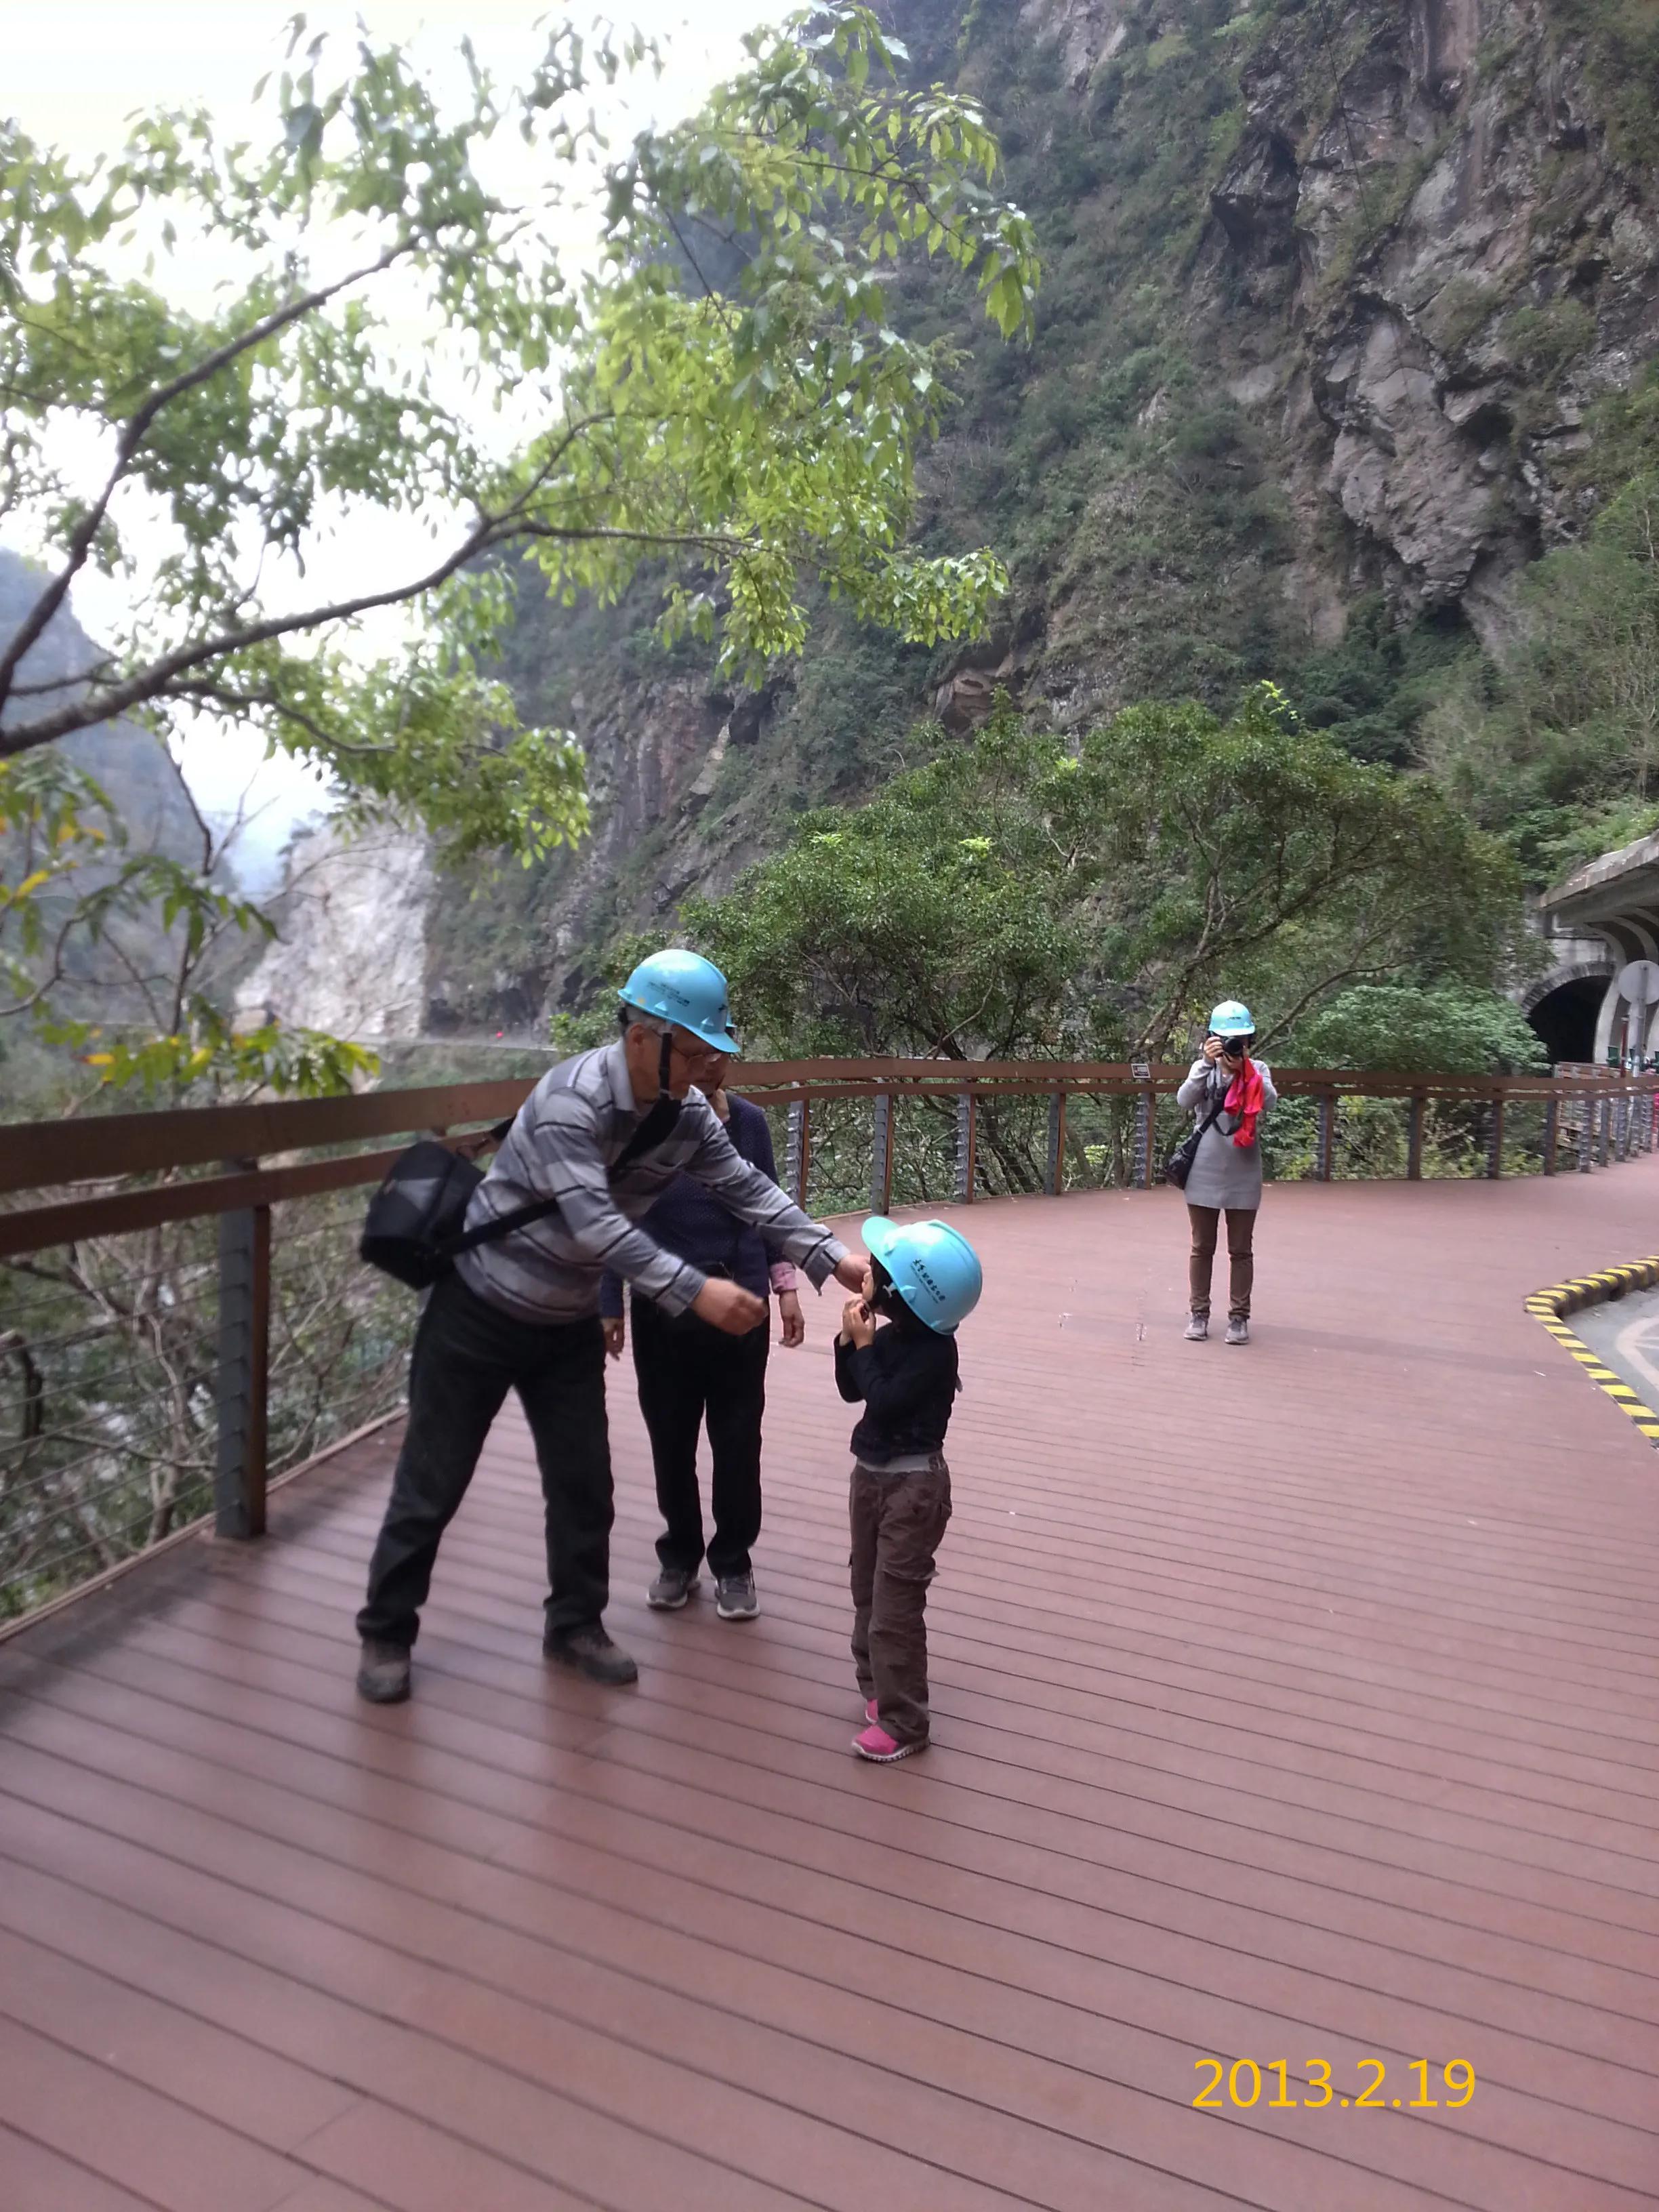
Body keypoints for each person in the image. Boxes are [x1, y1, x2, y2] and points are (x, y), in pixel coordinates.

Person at [354, 949, 868, 1704]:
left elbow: (745, 1189)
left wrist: (829, 1256)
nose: (701, 1069)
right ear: (642, 1039)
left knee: (584, 1481)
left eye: (707, 1053)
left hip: (560, 1323)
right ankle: (387, 1631)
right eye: (691, 1052)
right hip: (478, 1310)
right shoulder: (571, 1101)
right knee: (434, 1479)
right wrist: (694, 1292)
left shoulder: (686, 1111)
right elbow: (594, 1225)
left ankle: (574, 1625)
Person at [598, 1053, 803, 1621]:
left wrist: (784, 1285)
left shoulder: (749, 1123)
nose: (711, 1064)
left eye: (720, 1053)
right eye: (698, 1053)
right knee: (671, 1437)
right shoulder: (641, 1124)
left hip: (740, 1303)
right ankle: (680, 1555)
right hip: (661, 1306)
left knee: (738, 1440)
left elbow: (769, 1206)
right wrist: (607, 1298)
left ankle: (734, 1563)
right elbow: (614, 1215)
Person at [836, 1214, 982, 1764]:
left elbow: (887, 1400)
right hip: (870, 1478)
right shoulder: (897, 1334)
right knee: (865, 1587)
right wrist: (849, 1343)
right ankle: (878, 1689)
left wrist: (866, 1347)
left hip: (913, 1489)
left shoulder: (934, 1354)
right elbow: (854, 1390)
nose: (864, 1273)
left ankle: (906, 1722)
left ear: (904, 1291)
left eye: (875, 1270)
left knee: (895, 1604)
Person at [1176, 998, 1277, 1346]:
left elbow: (1270, 1100)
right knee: (1202, 1246)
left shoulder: (1258, 1069)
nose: (1235, 1046)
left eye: (1242, 1039)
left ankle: (1239, 1318)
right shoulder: (1203, 1067)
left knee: (1241, 1249)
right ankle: (1198, 1314)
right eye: (1227, 1039)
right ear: (1212, 1038)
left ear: (1250, 1040)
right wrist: (1206, 1064)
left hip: (1244, 1168)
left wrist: (1244, 1070)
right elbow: (1185, 1100)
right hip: (1203, 1166)